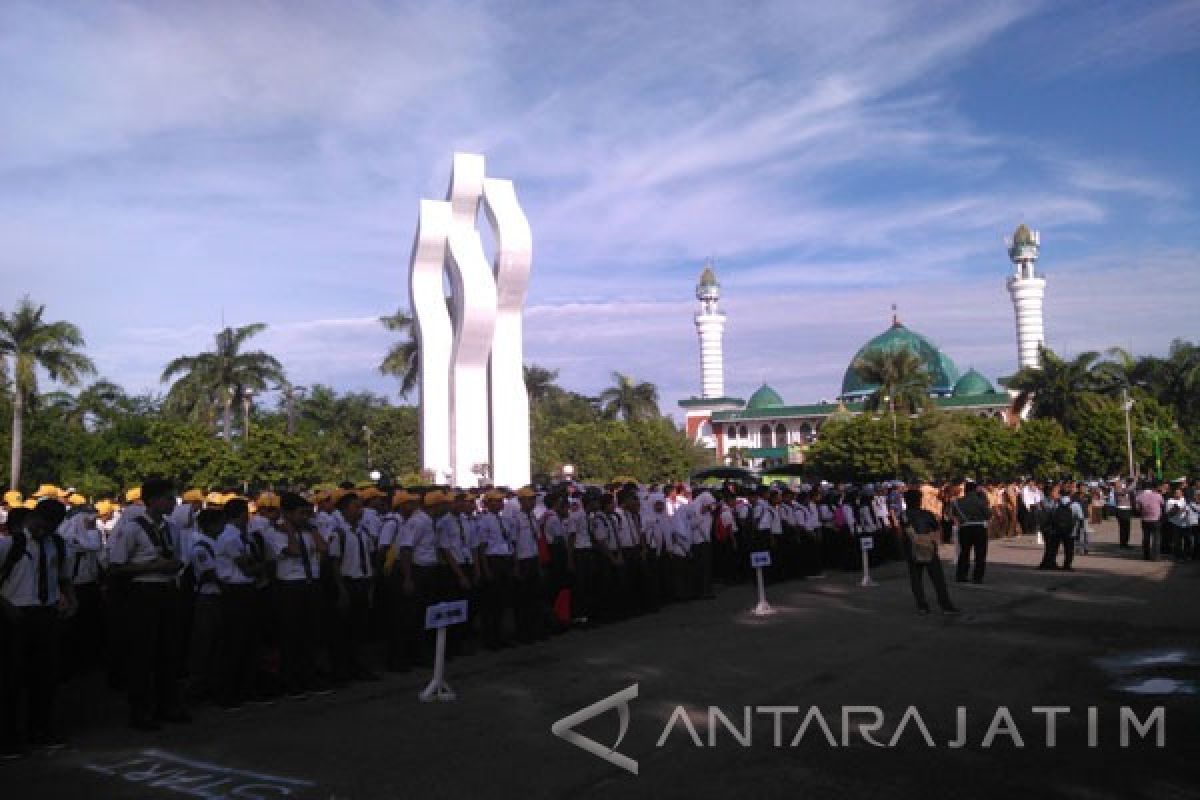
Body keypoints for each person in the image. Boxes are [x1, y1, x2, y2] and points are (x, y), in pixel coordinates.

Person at [107, 477, 190, 730]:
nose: (173, 503)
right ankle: (141, 711)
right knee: (142, 654)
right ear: (152, 500)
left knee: (168, 651)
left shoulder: (171, 528)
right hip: (143, 590)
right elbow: (116, 567)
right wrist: (152, 566)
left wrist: (173, 566)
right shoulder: (132, 528)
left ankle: (168, 705)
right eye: (168, 498)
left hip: (167, 589)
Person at [0, 499, 75, 757]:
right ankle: (8, 738)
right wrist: (6, 606)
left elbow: (63, 577)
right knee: (11, 679)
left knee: (45, 677)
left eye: (52, 526)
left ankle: (40, 730)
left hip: (46, 613)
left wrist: (70, 599)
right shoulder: (11, 544)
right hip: (17, 614)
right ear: (31, 519)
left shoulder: (57, 545)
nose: (44, 530)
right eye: (41, 524)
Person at [267, 492, 328, 698]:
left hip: (310, 583)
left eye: (307, 513)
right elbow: (293, 552)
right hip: (290, 586)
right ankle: (290, 680)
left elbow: (323, 548)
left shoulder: (309, 531)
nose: (305, 517)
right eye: (301, 513)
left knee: (310, 633)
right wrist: (291, 531)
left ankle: (308, 676)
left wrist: (310, 529)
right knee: (291, 635)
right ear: (288, 513)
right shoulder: (277, 533)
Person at [214, 497, 271, 710]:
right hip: (236, 592)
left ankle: (245, 689)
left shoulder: (239, 536)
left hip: (245, 590)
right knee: (235, 643)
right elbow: (247, 568)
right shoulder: (230, 538)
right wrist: (265, 565)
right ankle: (229, 693)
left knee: (247, 642)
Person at [186, 508, 224, 704]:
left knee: (217, 642)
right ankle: (198, 685)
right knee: (204, 642)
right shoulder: (201, 547)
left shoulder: (215, 543)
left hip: (217, 597)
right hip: (208, 597)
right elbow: (210, 574)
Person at [900, 489, 958, 615]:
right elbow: (937, 528)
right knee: (938, 579)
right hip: (928, 547)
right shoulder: (927, 514)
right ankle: (945, 605)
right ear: (919, 500)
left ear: (906, 501)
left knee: (916, 579)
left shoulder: (903, 515)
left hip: (912, 548)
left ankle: (922, 606)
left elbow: (903, 531)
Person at [950, 481, 990, 583]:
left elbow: (953, 514)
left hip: (964, 528)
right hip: (979, 527)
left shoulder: (957, 502)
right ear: (975, 489)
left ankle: (961, 575)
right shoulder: (980, 501)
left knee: (964, 553)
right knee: (980, 554)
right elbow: (988, 515)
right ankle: (977, 577)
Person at [1136, 482, 1166, 562]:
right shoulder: (1157, 495)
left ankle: (1146, 555)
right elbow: (1162, 504)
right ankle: (1156, 557)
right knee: (1156, 539)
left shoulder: (1139, 496)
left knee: (1146, 538)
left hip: (1145, 519)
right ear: (1152, 488)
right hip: (1156, 519)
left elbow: (1138, 508)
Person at [1114, 479, 1136, 548]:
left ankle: (1125, 543)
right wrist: (1135, 480)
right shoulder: (1117, 491)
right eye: (1119, 484)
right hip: (1121, 509)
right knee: (1123, 527)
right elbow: (1129, 489)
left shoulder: (1124, 490)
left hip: (1127, 509)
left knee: (1127, 527)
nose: (1121, 485)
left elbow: (1129, 490)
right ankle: (1123, 543)